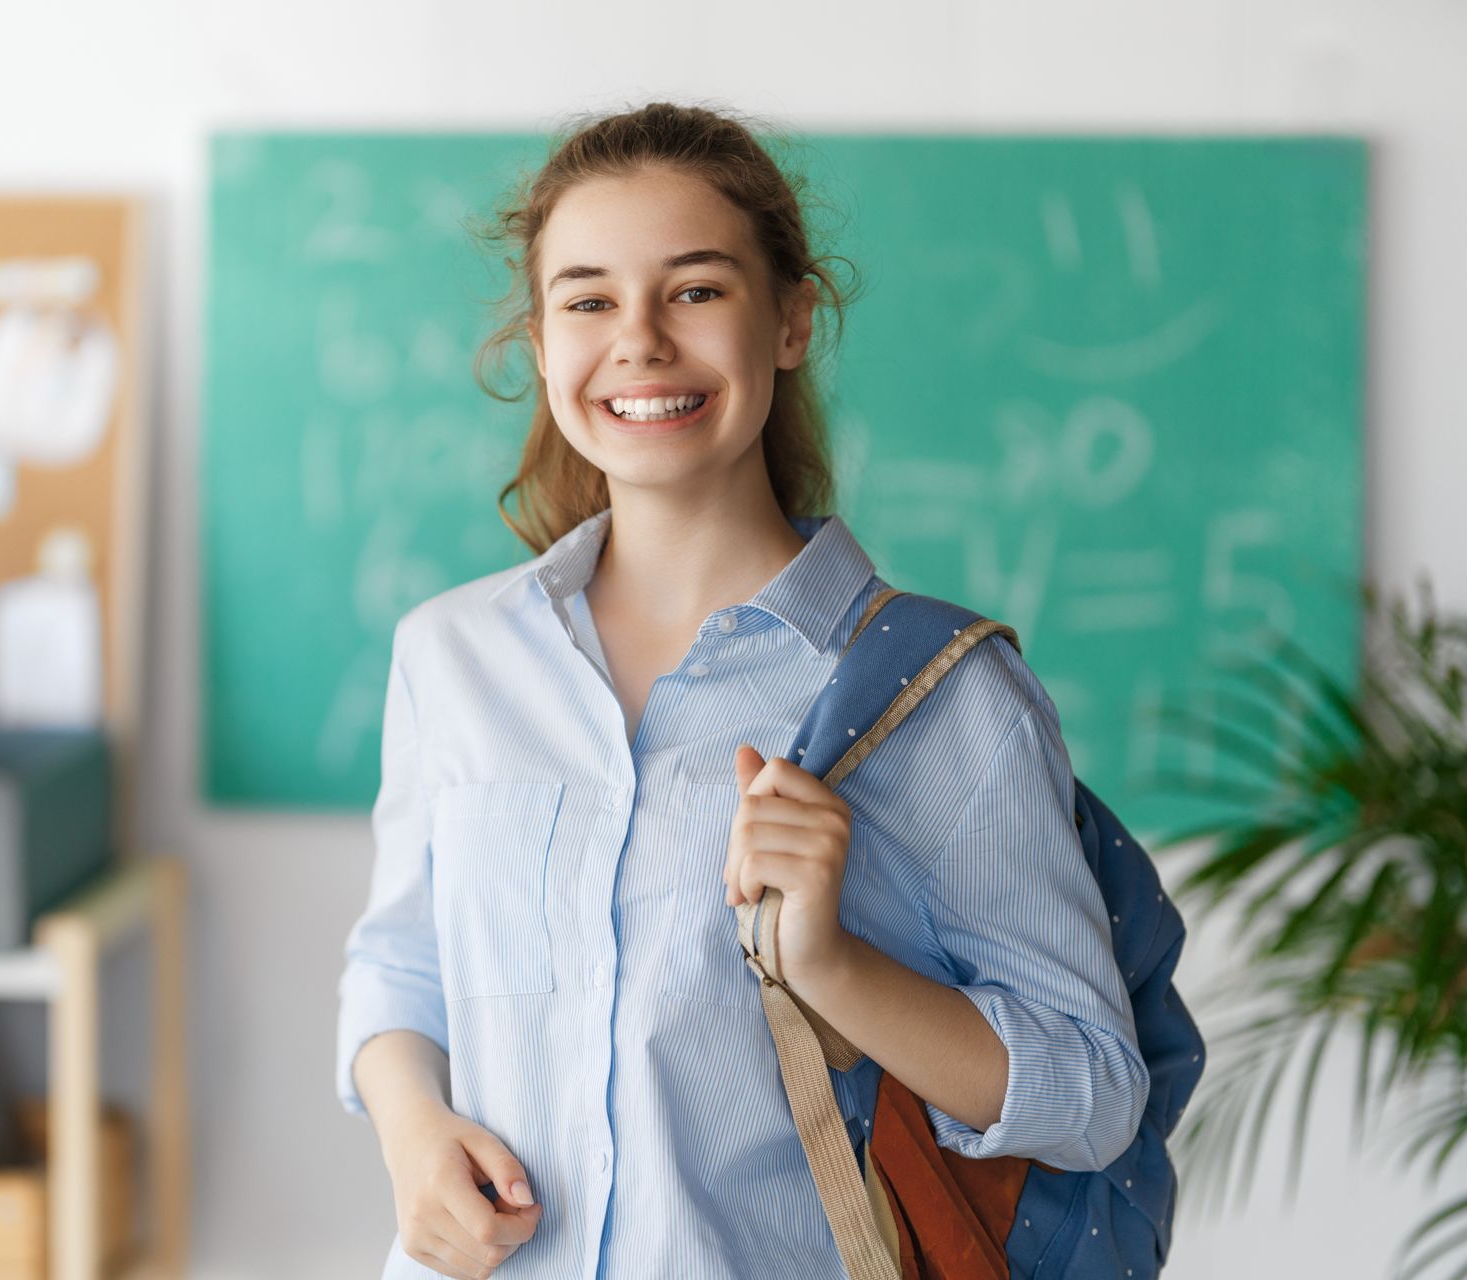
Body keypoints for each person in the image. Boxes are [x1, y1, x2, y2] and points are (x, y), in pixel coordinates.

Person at [335, 101, 1148, 1280]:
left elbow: (1096, 1092)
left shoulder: (945, 698)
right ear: (542, 339)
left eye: (697, 289)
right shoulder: (452, 655)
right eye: (589, 299)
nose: (642, 342)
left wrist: (831, 965)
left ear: (792, 320)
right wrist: (414, 1137)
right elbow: (403, 962)